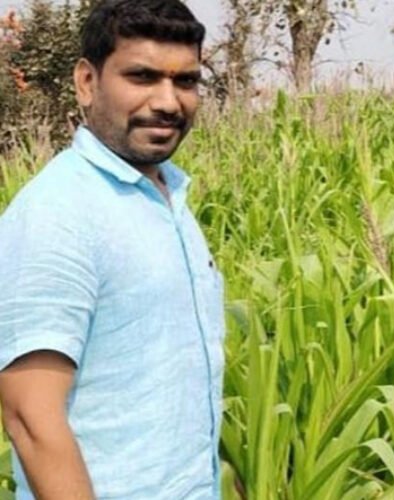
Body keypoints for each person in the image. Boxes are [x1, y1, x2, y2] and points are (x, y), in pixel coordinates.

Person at [0, 0, 225, 498]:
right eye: (142, 77)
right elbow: (30, 418)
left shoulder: (168, 197)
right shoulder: (59, 213)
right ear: (87, 82)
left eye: (185, 81)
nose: (168, 102)